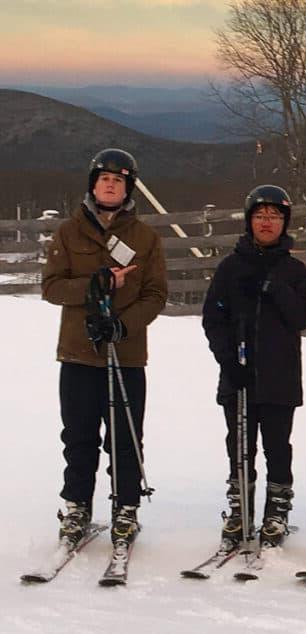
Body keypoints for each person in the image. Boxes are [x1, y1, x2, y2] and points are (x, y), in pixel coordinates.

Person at [41, 148, 168, 547]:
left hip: (126, 354)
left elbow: (155, 294)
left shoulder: (145, 237)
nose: (110, 185)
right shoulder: (68, 232)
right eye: (104, 179)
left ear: (128, 188)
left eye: (119, 180)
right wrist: (96, 284)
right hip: (79, 353)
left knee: (126, 439)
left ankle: (126, 508)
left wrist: (122, 325)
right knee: (79, 436)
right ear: (93, 185)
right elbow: (51, 287)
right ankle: (77, 506)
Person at [201, 184, 306, 550]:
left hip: (280, 376)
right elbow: (213, 318)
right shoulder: (230, 267)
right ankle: (241, 509)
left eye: (274, 216)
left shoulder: (295, 270)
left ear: (285, 223)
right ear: (250, 220)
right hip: (239, 374)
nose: (267, 222)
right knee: (239, 445)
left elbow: (305, 314)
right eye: (260, 215)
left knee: (277, 446)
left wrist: (274, 287)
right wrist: (227, 361)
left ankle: (277, 510)